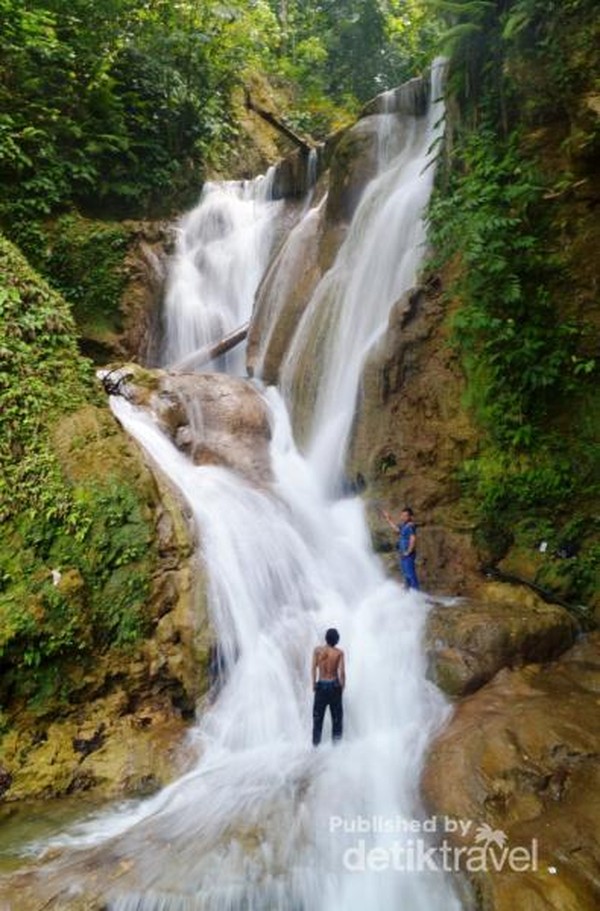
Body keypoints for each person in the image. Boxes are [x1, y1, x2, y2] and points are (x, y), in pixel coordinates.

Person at [311, 628, 345, 746]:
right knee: (337, 720)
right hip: (334, 687)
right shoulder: (339, 653)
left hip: (321, 686)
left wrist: (313, 684)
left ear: (326, 638)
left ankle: (315, 747)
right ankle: (337, 748)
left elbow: (313, 668)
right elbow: (342, 673)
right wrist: (342, 687)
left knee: (317, 719)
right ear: (336, 640)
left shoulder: (317, 651)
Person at [382, 506, 420, 591]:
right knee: (405, 573)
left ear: (410, 516)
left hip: (408, 554)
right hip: (402, 553)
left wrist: (409, 551)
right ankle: (408, 591)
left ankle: (416, 593)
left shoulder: (411, 526)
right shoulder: (403, 525)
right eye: (402, 515)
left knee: (411, 574)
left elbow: (413, 539)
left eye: (405, 515)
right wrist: (388, 519)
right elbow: (396, 529)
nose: (403, 517)